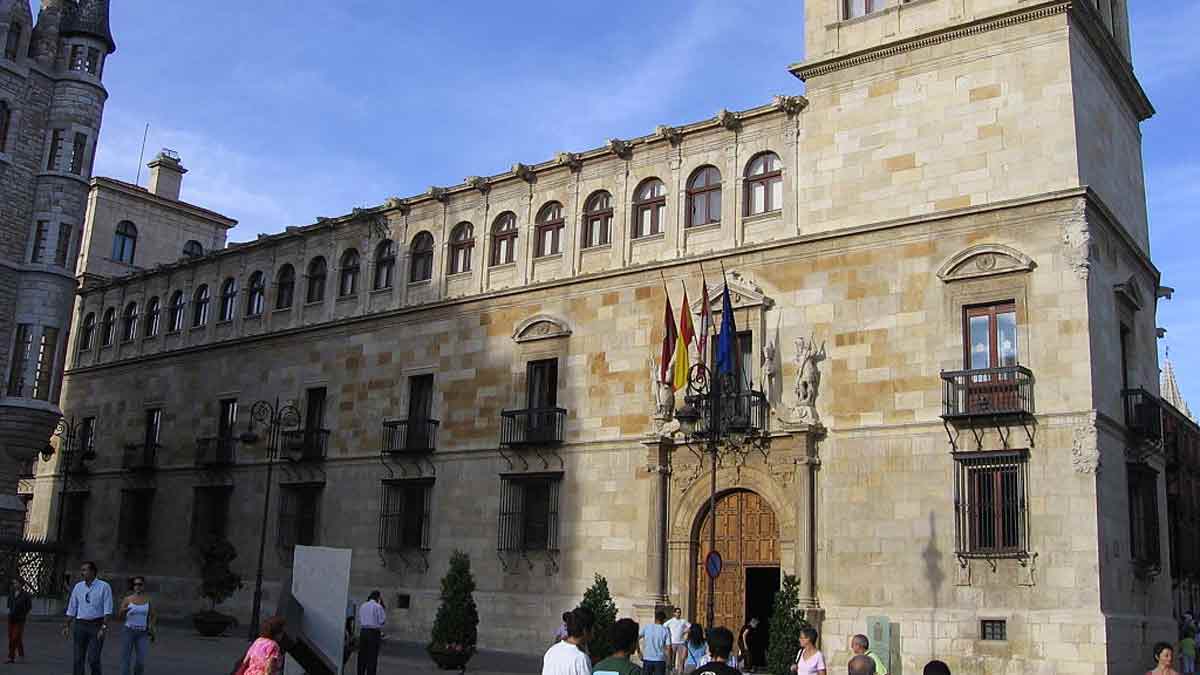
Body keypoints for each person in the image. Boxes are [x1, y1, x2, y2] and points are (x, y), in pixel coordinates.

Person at [63, 561, 113, 675]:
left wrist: (103, 627)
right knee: (78, 659)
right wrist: (67, 625)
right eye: (82, 570)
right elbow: (72, 607)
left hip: (96, 625)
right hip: (80, 625)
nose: (82, 573)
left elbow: (108, 609)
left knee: (93, 659)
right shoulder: (78, 587)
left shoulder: (104, 587)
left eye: (85, 570)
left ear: (93, 572)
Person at [117, 576, 155, 675]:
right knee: (126, 658)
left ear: (143, 586)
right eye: (135, 584)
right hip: (129, 631)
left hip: (143, 632)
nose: (137, 586)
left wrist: (151, 627)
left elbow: (152, 615)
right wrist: (124, 610)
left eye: (139, 584)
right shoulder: (128, 599)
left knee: (141, 660)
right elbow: (119, 615)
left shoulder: (148, 600)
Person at [542, 607, 594, 675]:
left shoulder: (551, 651)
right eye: (593, 628)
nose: (594, 632)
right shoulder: (581, 659)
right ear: (585, 630)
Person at [356, 590, 386, 675]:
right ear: (378, 597)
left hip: (363, 632)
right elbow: (382, 621)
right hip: (373, 633)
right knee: (372, 657)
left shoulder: (363, 605)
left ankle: (360, 673)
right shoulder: (378, 606)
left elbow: (360, 619)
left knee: (362, 656)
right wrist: (382, 605)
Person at [6, 579, 32, 664]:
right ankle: (21, 654)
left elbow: (29, 606)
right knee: (14, 637)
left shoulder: (26, 595)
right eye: (13, 583)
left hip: (20, 620)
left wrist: (23, 614)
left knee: (14, 637)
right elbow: (9, 604)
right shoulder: (11, 593)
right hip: (11, 618)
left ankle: (11, 657)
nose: (14, 584)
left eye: (16, 583)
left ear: (20, 584)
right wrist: (11, 611)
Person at [639, 610, 671, 675]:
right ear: (663, 620)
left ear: (655, 618)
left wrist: (639, 652)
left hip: (647, 658)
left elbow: (636, 637)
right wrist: (669, 661)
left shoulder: (647, 627)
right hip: (660, 659)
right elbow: (668, 648)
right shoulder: (665, 630)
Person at [665, 608, 689, 675]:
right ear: (674, 613)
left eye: (679, 612)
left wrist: (685, 632)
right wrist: (668, 634)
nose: (678, 614)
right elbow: (664, 626)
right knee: (672, 659)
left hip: (681, 643)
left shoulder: (683, 621)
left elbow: (690, 627)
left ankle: (680, 672)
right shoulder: (671, 621)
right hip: (673, 642)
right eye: (677, 612)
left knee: (681, 659)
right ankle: (671, 672)